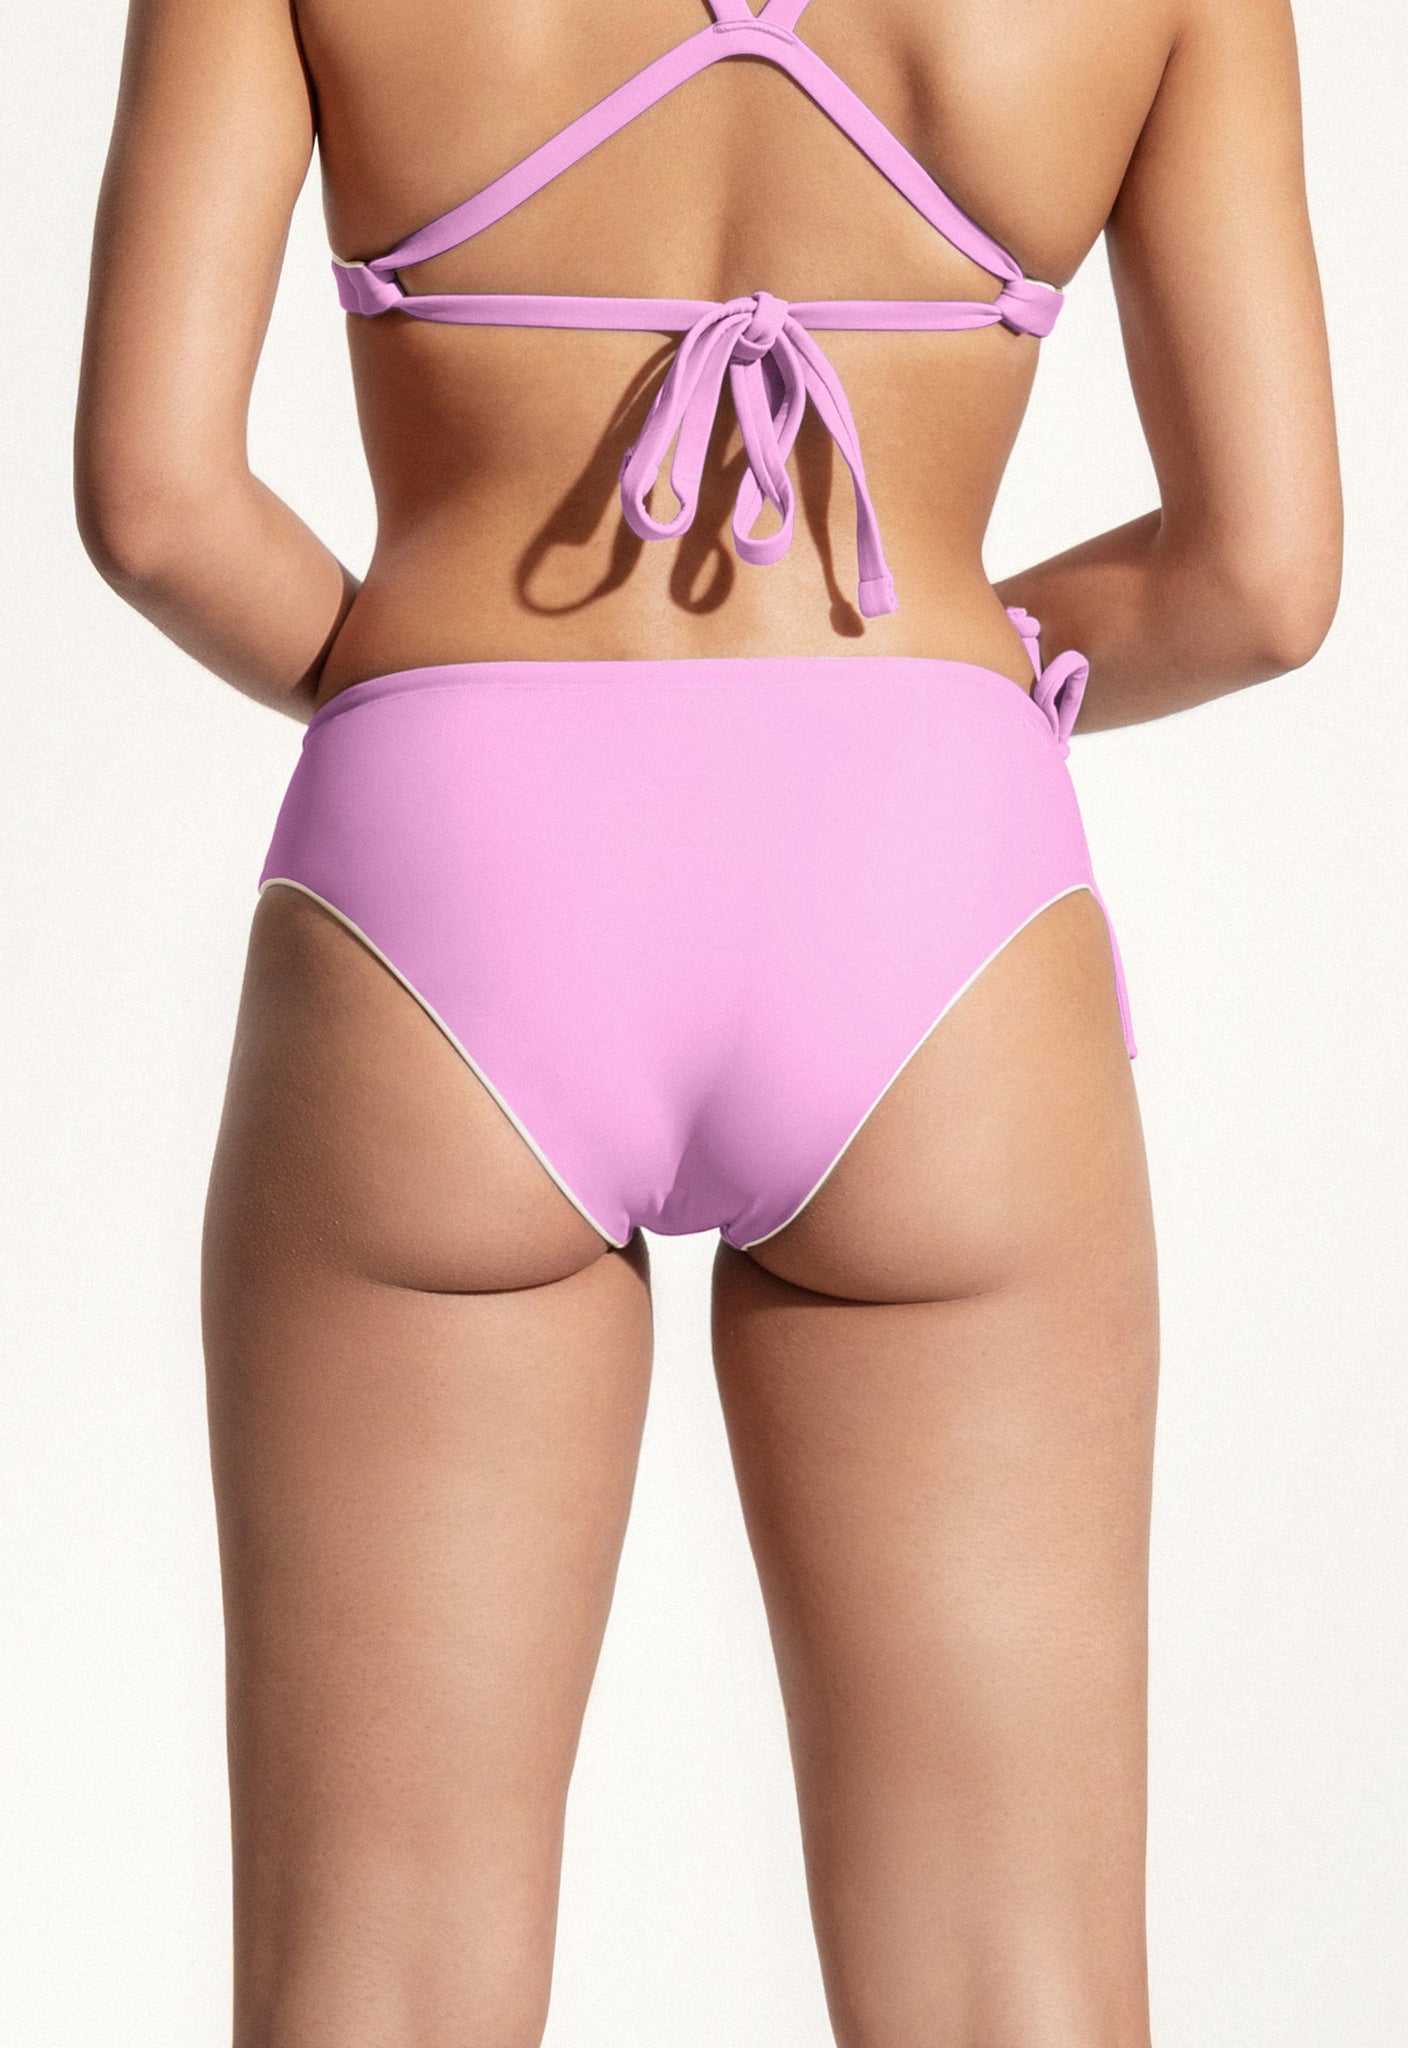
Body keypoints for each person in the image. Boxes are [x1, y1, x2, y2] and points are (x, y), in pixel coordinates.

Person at [74, 1, 1340, 2043]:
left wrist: (441, 719)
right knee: (1006, 1990)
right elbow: (1262, 581)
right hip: (931, 888)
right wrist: (937, 684)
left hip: (447, 888)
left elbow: (153, 499)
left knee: (374, 1984)